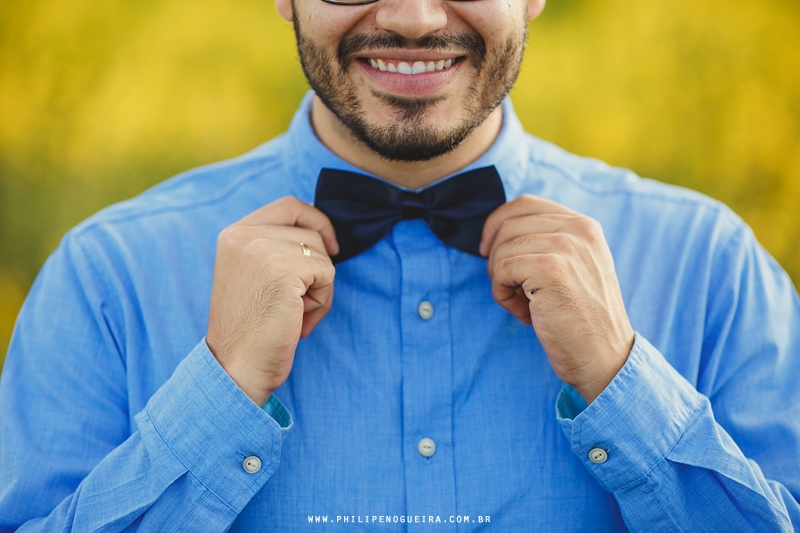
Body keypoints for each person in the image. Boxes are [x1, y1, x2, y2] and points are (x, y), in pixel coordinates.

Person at [0, 0, 799, 529]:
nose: (415, 17)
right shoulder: (107, 277)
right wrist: (217, 393)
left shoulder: (711, 265)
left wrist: (625, 385)